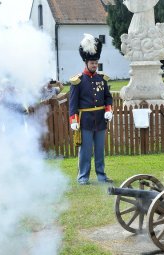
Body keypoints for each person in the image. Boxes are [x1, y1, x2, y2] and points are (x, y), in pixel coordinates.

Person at [69, 33, 113, 185]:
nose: (95, 65)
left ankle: (101, 175)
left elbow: (108, 97)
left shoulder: (102, 79)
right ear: (86, 63)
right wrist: (73, 120)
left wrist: (108, 110)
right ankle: (83, 177)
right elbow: (73, 103)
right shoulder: (78, 81)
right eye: (92, 63)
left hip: (100, 120)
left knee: (100, 151)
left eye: (96, 62)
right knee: (86, 151)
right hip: (86, 121)